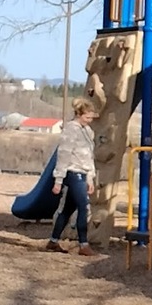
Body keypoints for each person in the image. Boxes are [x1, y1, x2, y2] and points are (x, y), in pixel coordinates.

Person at [45, 98, 99, 256]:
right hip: (73, 172)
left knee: (68, 209)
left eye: (91, 118)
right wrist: (59, 179)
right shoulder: (71, 129)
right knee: (84, 206)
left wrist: (90, 177)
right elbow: (64, 154)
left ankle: (53, 241)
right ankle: (83, 244)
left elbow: (88, 156)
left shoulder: (87, 131)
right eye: (87, 117)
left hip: (83, 172)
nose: (89, 121)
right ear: (79, 114)